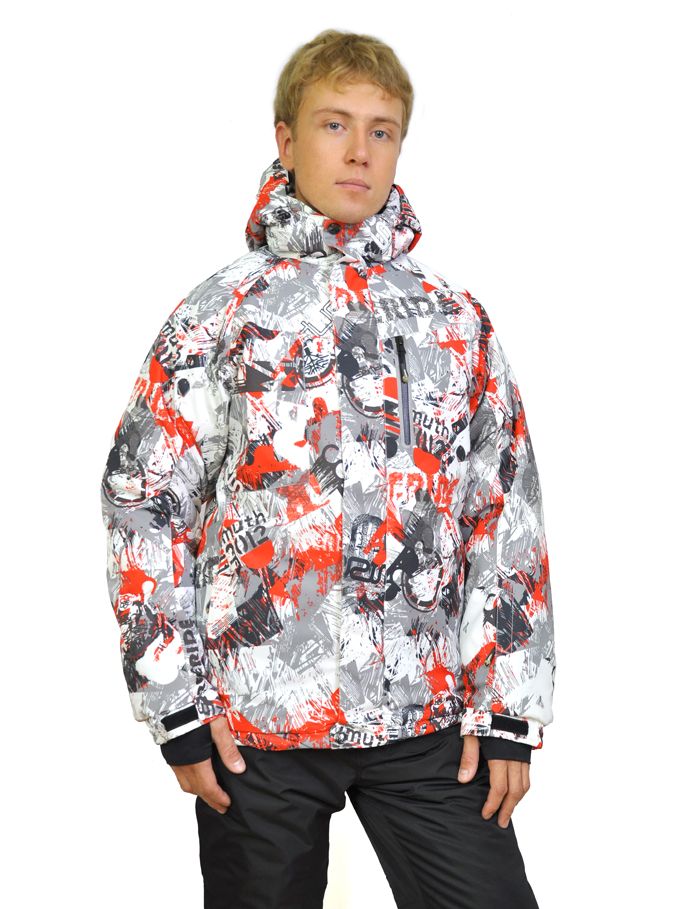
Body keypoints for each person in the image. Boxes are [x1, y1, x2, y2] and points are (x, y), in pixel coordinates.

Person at [100, 28, 556, 909]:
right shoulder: (222, 312)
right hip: (256, 724)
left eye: (381, 131)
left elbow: (505, 508)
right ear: (286, 138)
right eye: (334, 124)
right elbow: (144, 499)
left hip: (424, 715)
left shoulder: (453, 319)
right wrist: (176, 703)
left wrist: (507, 707)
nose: (358, 151)